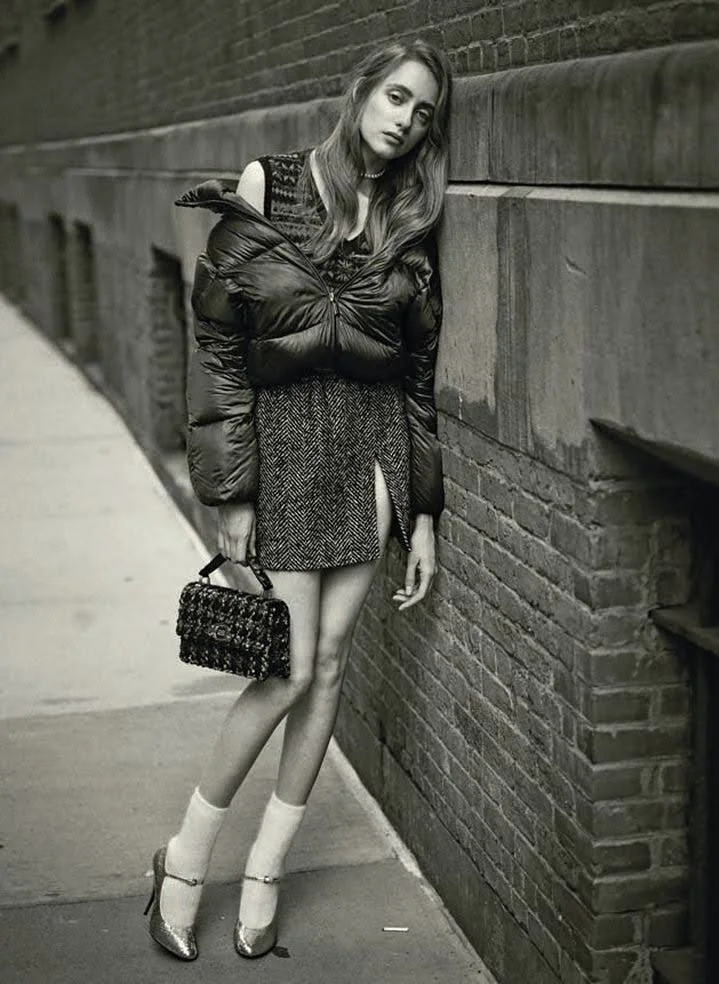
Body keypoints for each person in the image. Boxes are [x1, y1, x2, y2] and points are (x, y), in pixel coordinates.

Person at [145, 39, 452, 961]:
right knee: (283, 671)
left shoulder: (409, 217)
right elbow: (218, 348)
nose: (405, 121)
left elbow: (418, 376)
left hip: (370, 452)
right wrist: (230, 492)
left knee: (328, 666)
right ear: (361, 92)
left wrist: (423, 512)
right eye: (396, 97)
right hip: (281, 450)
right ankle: (185, 858)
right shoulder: (270, 183)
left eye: (424, 112)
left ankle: (268, 869)